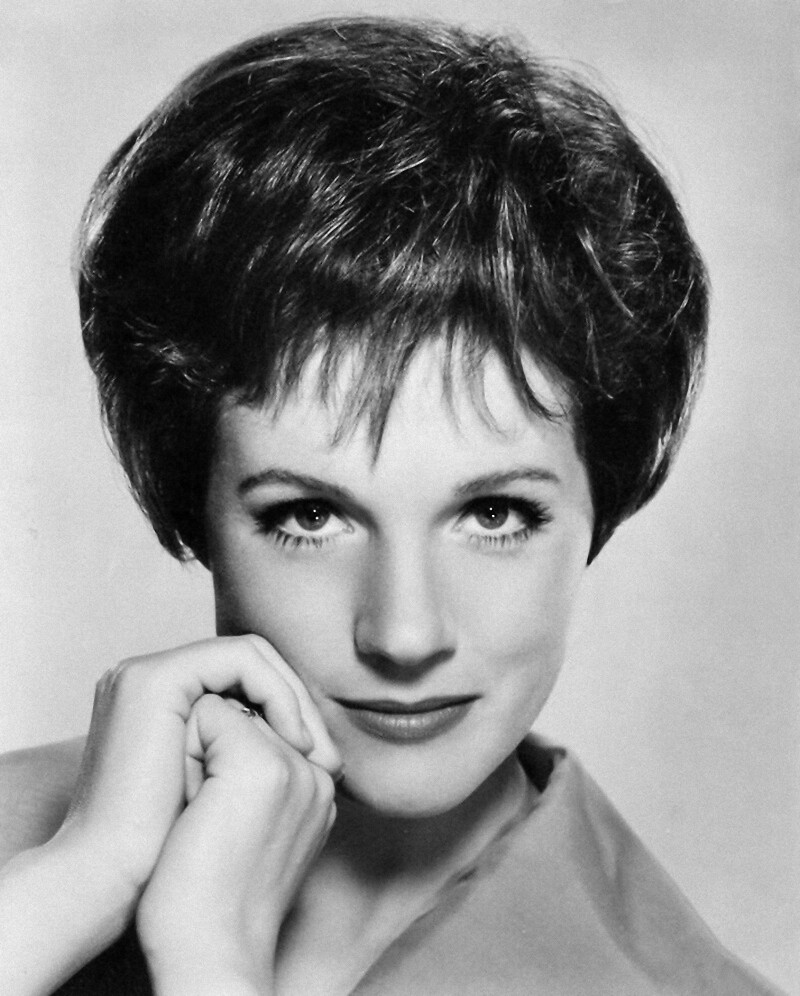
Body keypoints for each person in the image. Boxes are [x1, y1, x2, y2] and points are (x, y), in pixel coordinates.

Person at [0, 16, 784, 995]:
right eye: (309, 516)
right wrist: (84, 879)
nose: (404, 634)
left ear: (599, 504)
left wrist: (209, 956)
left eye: (493, 515)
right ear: (191, 503)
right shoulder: (31, 851)